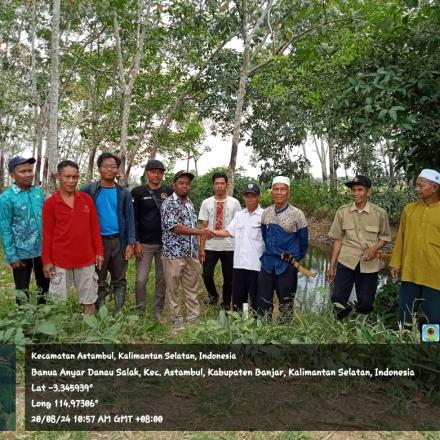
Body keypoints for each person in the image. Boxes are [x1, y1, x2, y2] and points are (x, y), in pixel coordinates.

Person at [42, 160, 103, 314]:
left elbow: (94, 229)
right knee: (57, 301)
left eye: (74, 177)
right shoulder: (50, 204)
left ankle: (90, 330)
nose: (71, 181)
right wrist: (47, 261)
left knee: (89, 299)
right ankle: (58, 334)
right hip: (60, 260)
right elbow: (47, 235)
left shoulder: (86, 200)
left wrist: (99, 252)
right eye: (67, 177)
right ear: (58, 177)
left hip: (86, 258)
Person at [326, 175, 391, 319]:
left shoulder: (380, 213)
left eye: (360, 190)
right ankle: (340, 323)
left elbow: (385, 237)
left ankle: (360, 326)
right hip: (346, 260)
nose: (355, 193)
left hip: (369, 263)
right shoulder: (342, 212)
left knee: (366, 302)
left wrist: (373, 249)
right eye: (353, 190)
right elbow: (337, 240)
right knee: (337, 298)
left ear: (369, 192)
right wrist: (332, 266)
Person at [81, 153, 135, 312]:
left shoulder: (123, 192)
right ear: (99, 169)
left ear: (118, 170)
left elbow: (130, 218)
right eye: (106, 166)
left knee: (119, 278)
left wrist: (130, 243)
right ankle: (100, 310)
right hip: (98, 243)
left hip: (119, 241)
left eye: (113, 167)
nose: (110, 169)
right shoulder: (89, 190)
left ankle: (118, 311)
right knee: (98, 278)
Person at [161, 170, 215, 329]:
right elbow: (175, 227)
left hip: (191, 253)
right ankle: (176, 321)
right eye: (181, 183)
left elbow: (191, 227)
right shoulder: (168, 203)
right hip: (173, 254)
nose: (185, 186)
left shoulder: (190, 204)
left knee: (192, 289)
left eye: (187, 183)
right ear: (174, 184)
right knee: (173, 290)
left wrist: (199, 249)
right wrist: (201, 232)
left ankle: (193, 320)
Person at [390, 169, 440, 324]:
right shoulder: (409, 209)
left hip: (434, 274)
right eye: (416, 185)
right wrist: (395, 263)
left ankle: (430, 347)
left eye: (421, 186)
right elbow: (401, 239)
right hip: (410, 271)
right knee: (405, 314)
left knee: (433, 317)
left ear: (434, 187)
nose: (417, 189)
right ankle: (404, 343)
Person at [256, 176, 308, 320]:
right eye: (276, 189)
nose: (279, 192)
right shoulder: (266, 213)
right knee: (263, 301)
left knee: (286, 301)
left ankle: (284, 332)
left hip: (287, 264)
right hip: (267, 263)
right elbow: (264, 235)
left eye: (282, 189)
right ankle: (263, 329)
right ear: (271, 192)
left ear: (288, 192)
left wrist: (295, 259)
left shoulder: (297, 214)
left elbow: (303, 242)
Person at [0, 156, 49, 303]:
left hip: (42, 251)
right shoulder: (6, 198)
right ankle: (23, 320)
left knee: (45, 286)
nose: (28, 174)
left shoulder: (38, 193)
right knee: (22, 290)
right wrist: (12, 256)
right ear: (12, 175)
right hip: (21, 253)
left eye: (30, 170)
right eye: (23, 171)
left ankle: (43, 315)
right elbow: (5, 228)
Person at [131, 159, 172, 318]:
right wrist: (136, 242)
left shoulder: (168, 192)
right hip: (144, 244)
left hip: (164, 244)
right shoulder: (137, 191)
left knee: (162, 279)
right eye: (154, 171)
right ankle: (140, 310)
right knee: (141, 279)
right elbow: (133, 218)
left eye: (160, 172)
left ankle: (157, 311)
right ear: (147, 173)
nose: (157, 175)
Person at [213, 183, 264, 312]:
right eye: (247, 196)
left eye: (253, 196)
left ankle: (257, 324)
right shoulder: (239, 215)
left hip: (256, 266)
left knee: (256, 299)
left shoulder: (265, 215)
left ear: (259, 197)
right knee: (239, 300)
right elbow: (229, 232)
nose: (249, 199)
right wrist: (211, 232)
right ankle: (243, 323)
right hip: (239, 266)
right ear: (243, 198)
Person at [198, 172, 241, 309]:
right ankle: (213, 295)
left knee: (229, 278)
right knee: (206, 275)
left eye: (222, 183)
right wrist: (201, 248)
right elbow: (204, 227)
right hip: (210, 246)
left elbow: (238, 227)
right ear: (213, 185)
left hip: (229, 247)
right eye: (217, 183)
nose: (219, 186)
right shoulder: (206, 203)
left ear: (227, 185)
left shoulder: (235, 203)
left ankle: (226, 303)